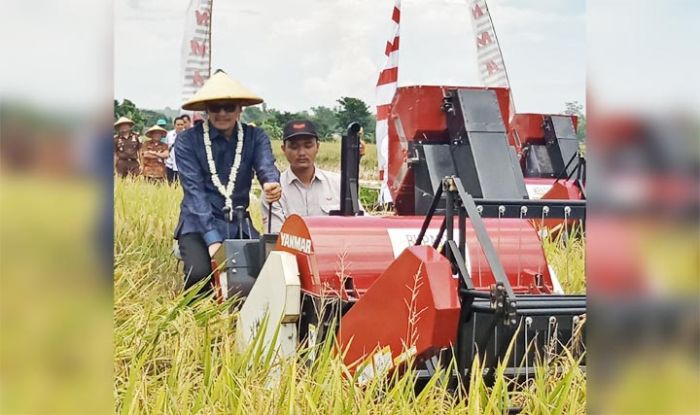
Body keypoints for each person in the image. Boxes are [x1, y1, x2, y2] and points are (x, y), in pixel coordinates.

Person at [174, 69, 282, 293]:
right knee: (201, 274)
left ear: (240, 108)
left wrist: (270, 182)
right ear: (206, 110)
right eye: (215, 107)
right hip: (197, 222)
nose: (222, 113)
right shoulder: (187, 141)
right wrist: (212, 240)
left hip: (238, 221)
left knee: (262, 270)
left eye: (229, 107)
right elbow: (194, 192)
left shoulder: (255, 137)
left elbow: (265, 165)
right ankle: (193, 322)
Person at [262, 119, 363, 233]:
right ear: (284, 149)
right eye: (294, 147)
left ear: (317, 146)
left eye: (308, 145)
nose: (301, 153)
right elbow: (276, 237)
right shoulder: (274, 189)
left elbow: (362, 224)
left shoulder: (339, 183)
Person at [165, 116, 185, 184]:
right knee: (170, 184)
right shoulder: (169, 135)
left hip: (183, 165)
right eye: (178, 125)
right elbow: (166, 147)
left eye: (181, 125)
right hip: (170, 164)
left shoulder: (187, 135)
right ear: (174, 125)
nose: (180, 126)